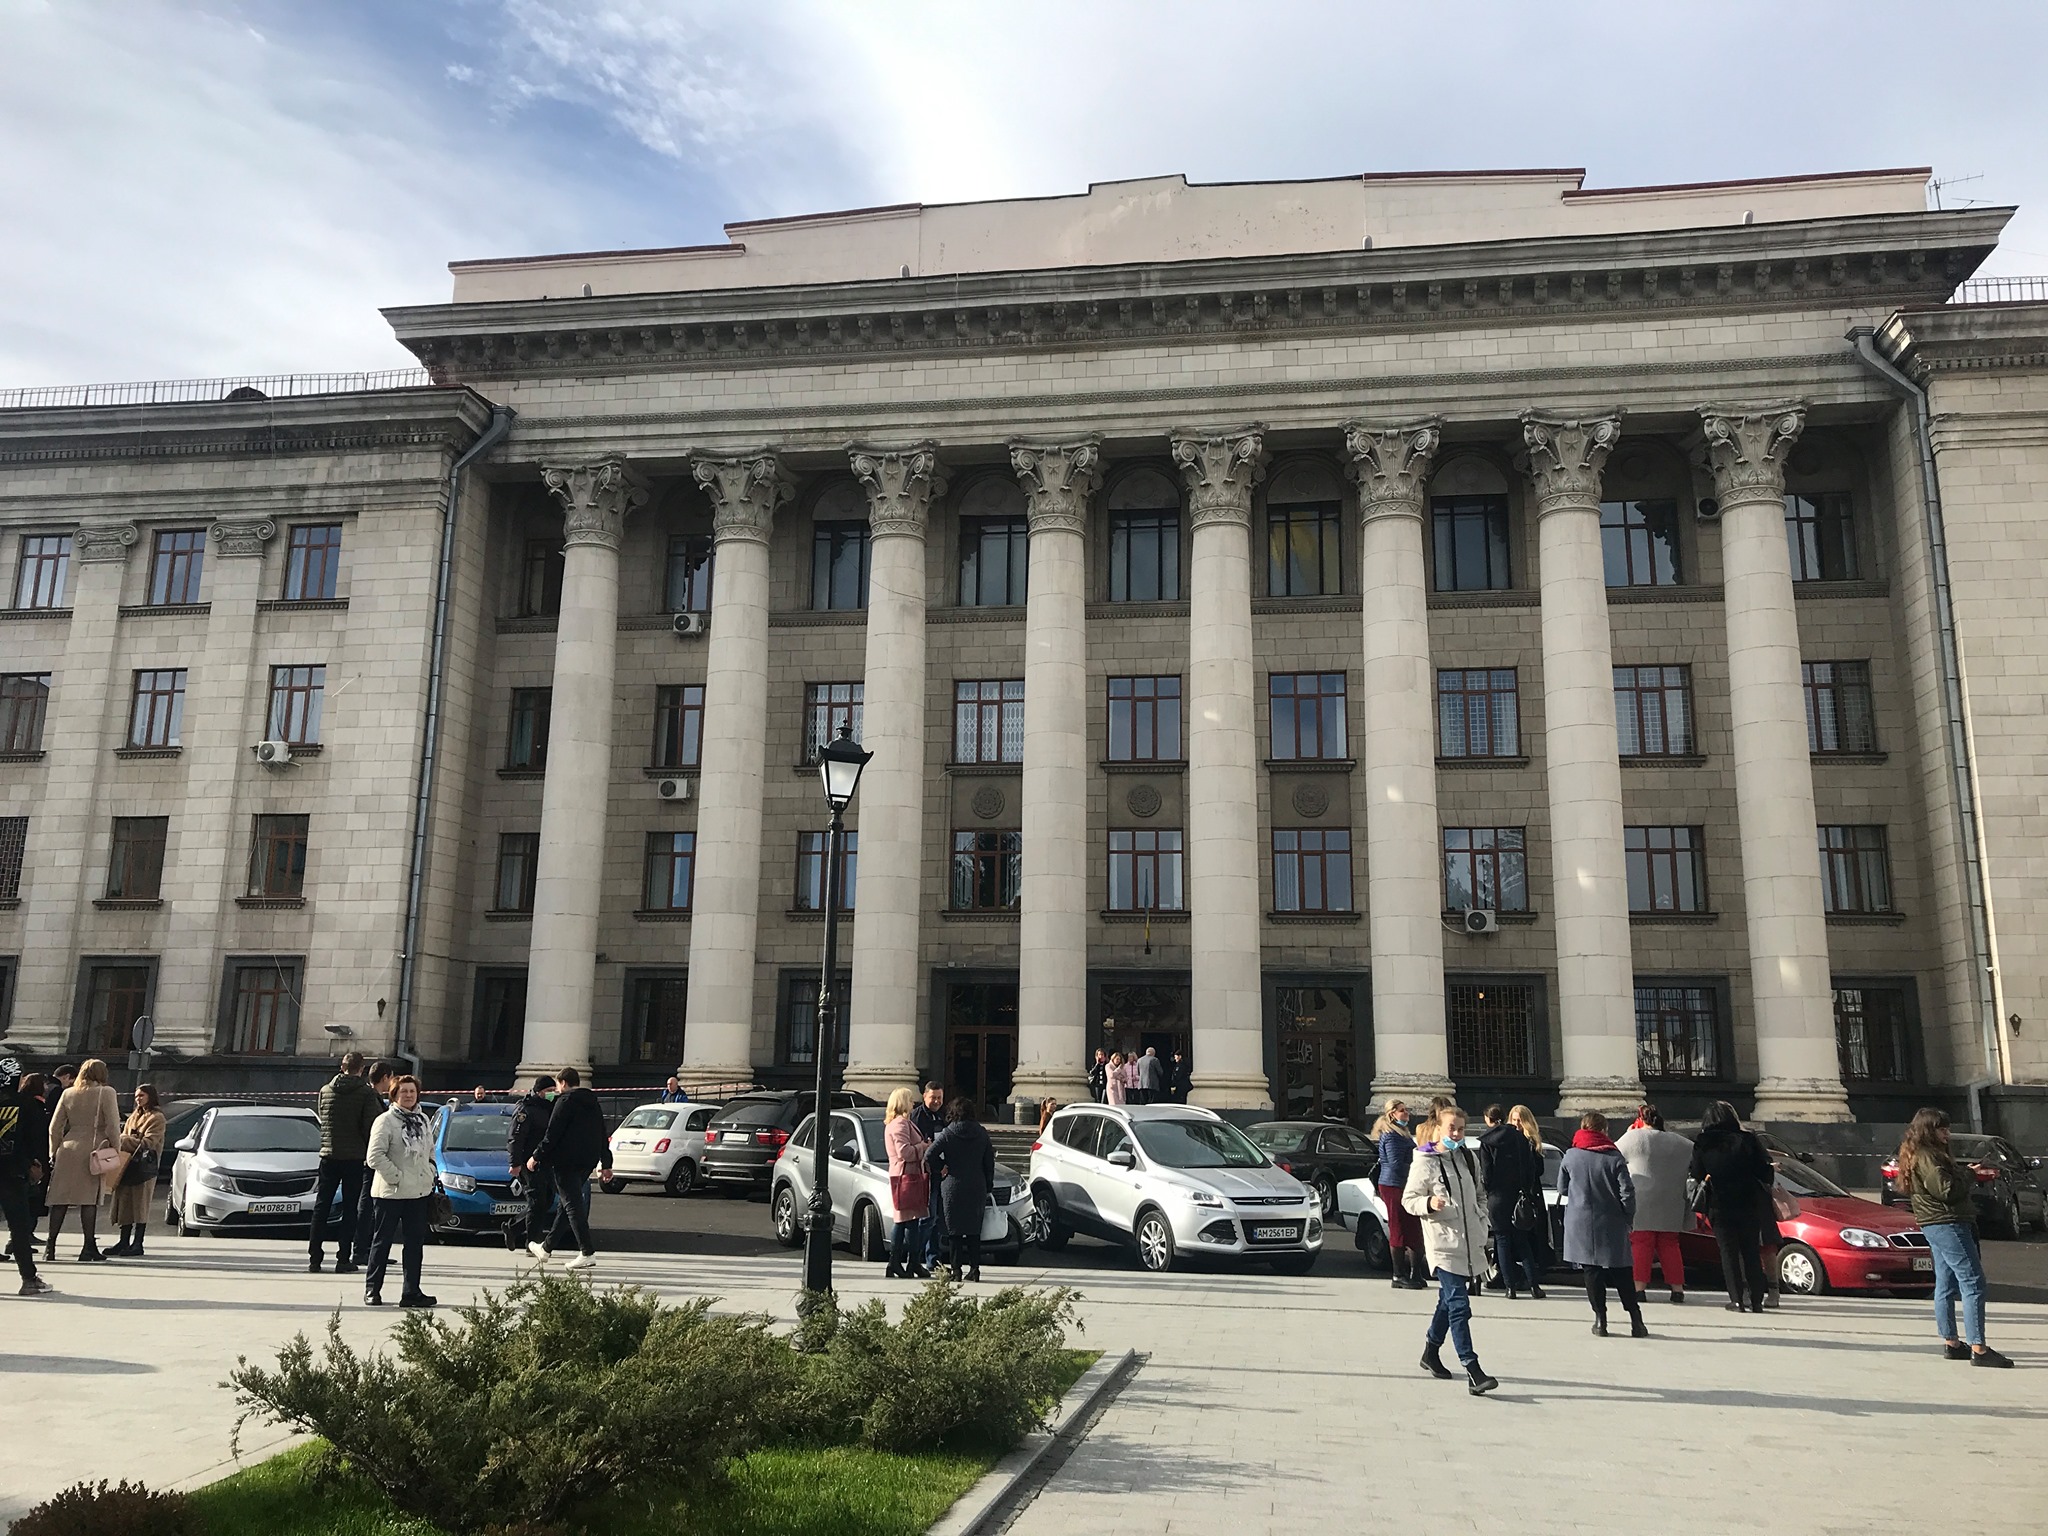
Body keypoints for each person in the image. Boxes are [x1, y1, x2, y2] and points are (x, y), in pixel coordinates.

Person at [1898, 1107, 2011, 1367]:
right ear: (1928, 1130)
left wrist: (1964, 1172)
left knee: (1946, 1283)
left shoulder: (1919, 1153)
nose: (1947, 1134)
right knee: (1973, 1282)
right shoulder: (1928, 1155)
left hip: (1935, 1223)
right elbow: (1946, 1191)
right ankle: (1979, 1348)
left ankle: (1952, 1343)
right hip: (1948, 1222)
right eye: (1942, 1129)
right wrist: (1969, 1175)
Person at [1401, 1105, 1498, 1395]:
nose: (1456, 1133)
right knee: (1459, 1305)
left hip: (1468, 1242)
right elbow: (1409, 1200)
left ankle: (1430, 1352)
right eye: (1451, 1128)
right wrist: (1429, 1203)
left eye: (1460, 1129)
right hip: (1442, 1243)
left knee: (1447, 1300)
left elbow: (1480, 1194)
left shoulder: (1468, 1157)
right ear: (1438, 1129)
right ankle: (1473, 1369)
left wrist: (1482, 1219)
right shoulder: (1425, 1161)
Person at [1557, 1111, 1645, 1337]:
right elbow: (1627, 1192)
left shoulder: (1570, 1156)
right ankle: (1636, 1320)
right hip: (1612, 1221)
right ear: (1604, 1130)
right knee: (1622, 1270)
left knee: (1591, 1271)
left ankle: (1600, 1320)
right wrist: (1628, 1216)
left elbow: (1562, 1188)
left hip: (1580, 1222)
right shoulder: (1614, 1157)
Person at [1689, 1100, 1775, 1313]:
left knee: (1728, 1253)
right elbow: (1765, 1172)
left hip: (1719, 1204)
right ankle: (1756, 1299)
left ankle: (1737, 1299)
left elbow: (1696, 1172)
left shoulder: (1703, 1142)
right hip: (1748, 1202)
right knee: (1751, 1251)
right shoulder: (1748, 1140)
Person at [526, 1066, 610, 1270]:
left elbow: (552, 1134)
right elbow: (602, 1133)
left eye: (557, 1085)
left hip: (565, 1162)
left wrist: (536, 1156)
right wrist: (607, 1163)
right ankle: (546, 1248)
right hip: (587, 1161)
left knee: (572, 1205)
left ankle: (587, 1252)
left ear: (563, 1083)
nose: (556, 1089)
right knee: (566, 1205)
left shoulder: (564, 1102)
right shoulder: (592, 1102)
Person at [363, 1074, 437, 1308]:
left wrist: (430, 1171)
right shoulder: (385, 1121)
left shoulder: (423, 1119)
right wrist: (397, 1177)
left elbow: (430, 1150)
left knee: (414, 1245)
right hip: (390, 1193)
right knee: (382, 1242)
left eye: (412, 1091)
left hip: (418, 1193)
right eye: (403, 1091)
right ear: (394, 1095)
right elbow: (374, 1156)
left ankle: (411, 1292)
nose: (408, 1095)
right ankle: (372, 1289)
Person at [309, 1051, 381, 1275]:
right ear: (362, 1069)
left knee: (321, 1206)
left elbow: (324, 1119)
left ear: (342, 1067)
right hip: (354, 1158)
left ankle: (315, 1258)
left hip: (328, 1155)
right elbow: (371, 1126)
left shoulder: (325, 1090)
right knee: (350, 1209)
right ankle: (343, 1259)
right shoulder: (366, 1093)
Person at [1616, 1103, 1692, 1304]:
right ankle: (1677, 1290)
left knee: (1641, 1243)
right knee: (1670, 1244)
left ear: (1641, 1119)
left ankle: (1639, 1289)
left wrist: (1629, 1132)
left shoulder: (1633, 1137)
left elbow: (1613, 1154)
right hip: (1672, 1199)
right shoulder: (1680, 1142)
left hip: (1642, 1199)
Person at [45, 1057, 119, 1263]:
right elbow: (113, 1125)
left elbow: (54, 1127)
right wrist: (116, 1148)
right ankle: (88, 1247)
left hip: (67, 1148)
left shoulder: (68, 1093)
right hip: (93, 1148)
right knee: (89, 1199)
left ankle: (50, 1246)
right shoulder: (106, 1092)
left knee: (60, 1198)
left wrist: (54, 1151)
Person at [1478, 1103, 1546, 1299]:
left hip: (1497, 1197)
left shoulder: (1487, 1140)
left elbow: (1486, 1172)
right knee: (1522, 1241)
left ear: (1488, 1119)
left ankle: (1510, 1288)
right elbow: (1531, 1169)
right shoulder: (1521, 1138)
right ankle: (1534, 1286)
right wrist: (1525, 1190)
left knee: (1502, 1241)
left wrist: (1490, 1191)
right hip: (1518, 1196)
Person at [924, 1097, 995, 1282]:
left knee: (954, 1231)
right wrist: (989, 1184)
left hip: (953, 1185)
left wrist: (942, 1167)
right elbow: (989, 1161)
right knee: (974, 1230)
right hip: (976, 1185)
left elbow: (929, 1155)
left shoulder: (948, 1133)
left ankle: (956, 1270)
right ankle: (975, 1269)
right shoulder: (981, 1133)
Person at [0, 1057, 53, 1295]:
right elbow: (37, 1140)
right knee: (19, 1228)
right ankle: (28, 1279)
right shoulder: (28, 1105)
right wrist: (38, 1165)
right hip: (14, 1173)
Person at [105, 1084, 165, 1259]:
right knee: (124, 1202)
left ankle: (138, 1243)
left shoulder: (157, 1117)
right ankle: (123, 1241)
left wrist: (123, 1140)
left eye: (142, 1095)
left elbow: (149, 1142)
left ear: (150, 1097)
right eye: (137, 1096)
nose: (138, 1099)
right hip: (126, 1163)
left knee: (140, 1204)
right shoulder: (134, 1115)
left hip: (144, 1166)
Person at [349, 1060, 398, 1267]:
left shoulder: (373, 1096)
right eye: (391, 1078)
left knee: (372, 1204)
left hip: (368, 1157)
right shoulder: (371, 1097)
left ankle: (370, 1249)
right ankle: (362, 1249)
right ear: (385, 1078)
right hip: (371, 1159)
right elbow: (372, 1129)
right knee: (368, 1205)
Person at [1371, 1099, 1423, 1289]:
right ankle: (1398, 1275)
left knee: (1413, 1227)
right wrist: (1417, 1169)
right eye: (1402, 1110)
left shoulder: (1402, 1133)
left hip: (1404, 1185)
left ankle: (1415, 1273)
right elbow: (1395, 1164)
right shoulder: (1391, 1135)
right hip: (1393, 1185)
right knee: (1398, 1227)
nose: (1406, 1113)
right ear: (1392, 1114)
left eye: (1406, 1110)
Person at [883, 1087, 932, 1280]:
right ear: (903, 1102)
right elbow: (905, 1152)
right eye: (910, 1100)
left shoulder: (902, 1123)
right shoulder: (900, 1124)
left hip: (909, 1175)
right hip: (905, 1177)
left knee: (911, 1221)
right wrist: (924, 1146)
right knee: (903, 1220)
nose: (913, 1103)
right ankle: (895, 1262)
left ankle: (912, 1263)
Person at [508, 1074, 557, 1249]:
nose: (552, 1093)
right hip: (528, 1162)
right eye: (549, 1090)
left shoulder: (551, 1107)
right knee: (537, 1201)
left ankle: (513, 1228)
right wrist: (515, 1163)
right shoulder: (526, 1110)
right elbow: (516, 1138)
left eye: (554, 1090)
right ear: (538, 1091)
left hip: (545, 1161)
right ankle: (532, 1242)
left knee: (547, 1199)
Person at [909, 1083, 948, 1271]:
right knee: (927, 1219)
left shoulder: (942, 1115)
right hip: (925, 1174)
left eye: (939, 1098)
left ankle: (933, 1260)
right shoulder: (917, 1117)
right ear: (924, 1096)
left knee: (936, 1219)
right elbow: (920, 1147)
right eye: (933, 1097)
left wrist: (946, 1164)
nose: (937, 1101)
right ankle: (913, 1258)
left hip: (941, 1173)